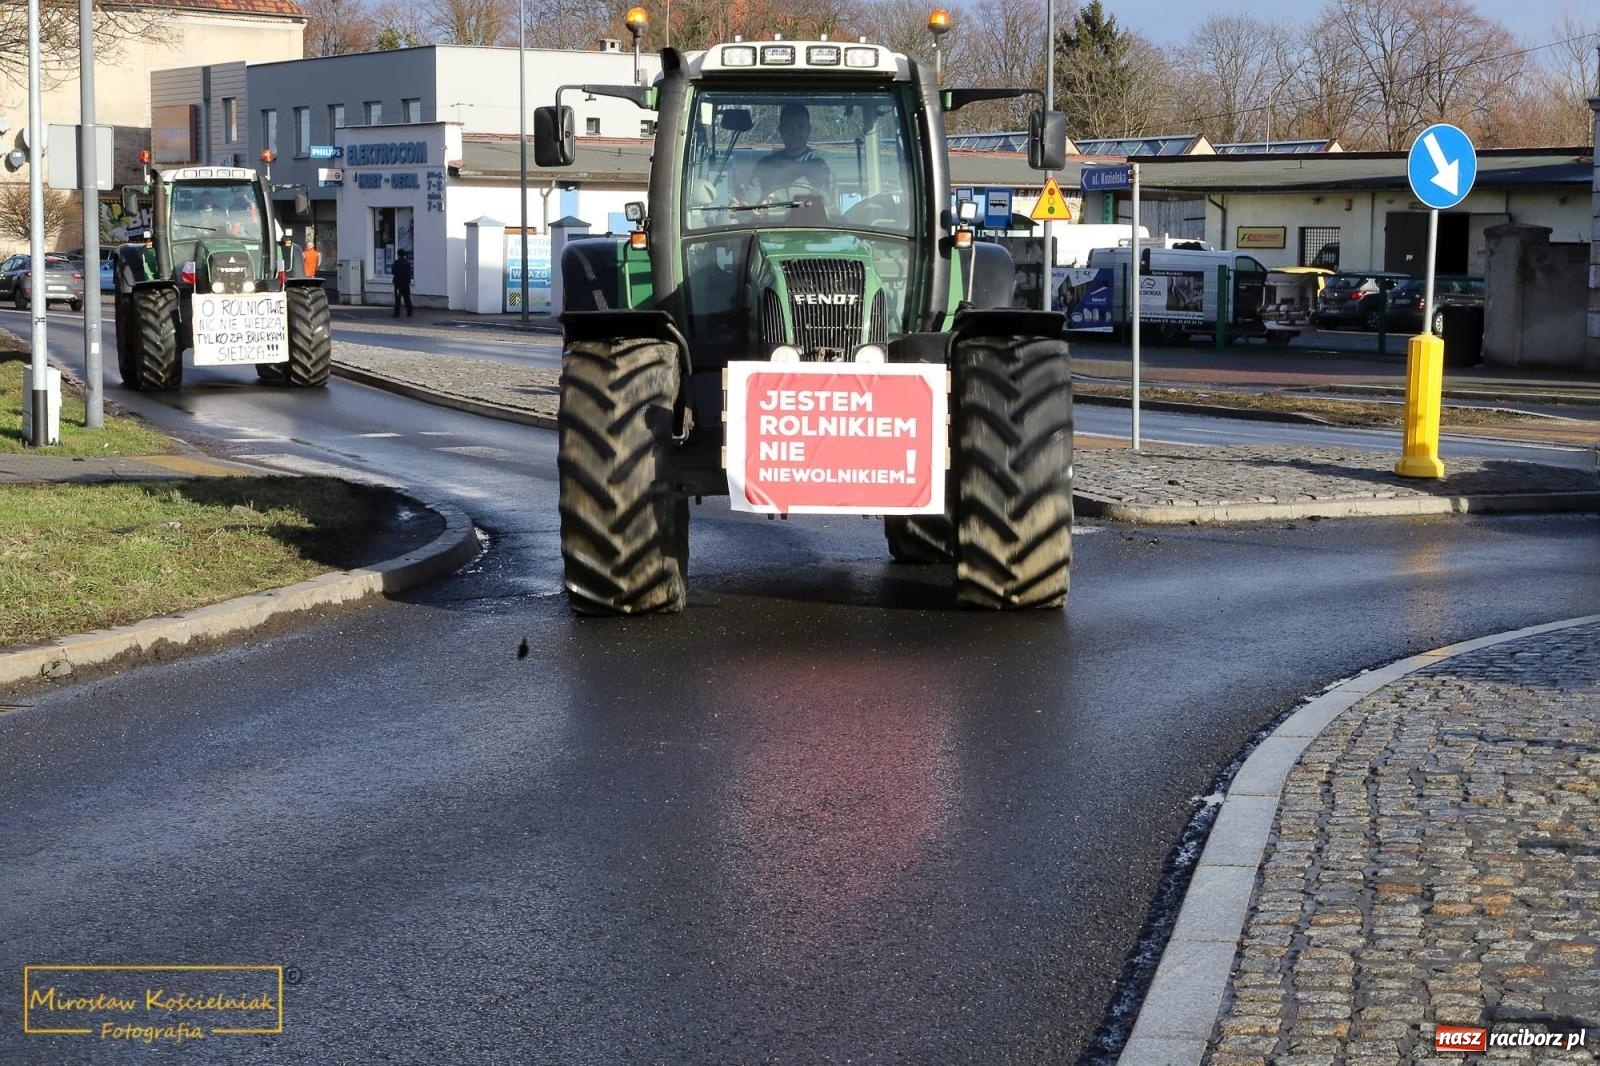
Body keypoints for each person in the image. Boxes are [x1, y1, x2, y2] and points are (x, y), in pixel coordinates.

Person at [750, 104, 832, 200]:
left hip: (812, 215)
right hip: (771, 214)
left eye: (801, 126)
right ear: (781, 130)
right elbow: (751, 199)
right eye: (789, 126)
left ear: (809, 130)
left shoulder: (822, 163)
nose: (794, 131)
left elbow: (828, 202)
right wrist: (746, 204)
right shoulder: (765, 164)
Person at [392, 248, 413, 317]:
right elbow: (410, 273)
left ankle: (397, 313)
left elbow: (393, 271)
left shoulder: (396, 262)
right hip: (406, 283)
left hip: (398, 283)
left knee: (398, 297)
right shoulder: (408, 262)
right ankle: (409, 312)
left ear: (398, 254)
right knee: (407, 297)